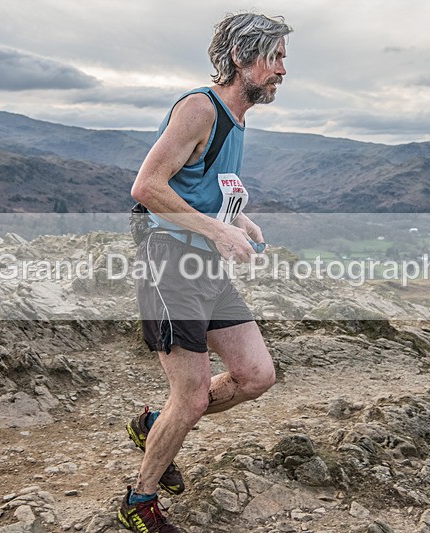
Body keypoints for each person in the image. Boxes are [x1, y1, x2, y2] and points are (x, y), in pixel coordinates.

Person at [118, 13, 292, 532]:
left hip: (204, 263)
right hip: (168, 261)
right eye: (276, 57)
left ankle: (154, 425)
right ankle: (139, 501)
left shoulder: (240, 118)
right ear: (242, 57)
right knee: (191, 396)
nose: (283, 69)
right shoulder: (200, 107)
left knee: (256, 375)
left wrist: (238, 220)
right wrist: (217, 233)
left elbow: (200, 187)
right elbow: (147, 187)